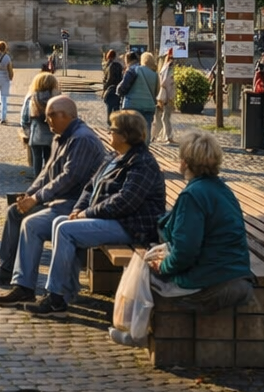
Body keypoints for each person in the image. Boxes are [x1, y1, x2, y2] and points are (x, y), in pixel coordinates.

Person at [19, 109, 166, 317]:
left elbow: (125, 202)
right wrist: (79, 208)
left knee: (65, 230)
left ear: (125, 135)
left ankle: (56, 299)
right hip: (113, 219)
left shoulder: (142, 163)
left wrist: (87, 213)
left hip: (132, 226)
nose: (109, 133)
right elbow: (90, 186)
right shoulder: (115, 157)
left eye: (112, 130)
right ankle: (63, 292)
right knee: (59, 222)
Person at [0, 96, 107, 303]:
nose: (47, 120)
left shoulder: (81, 139)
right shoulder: (62, 136)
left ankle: (25, 286)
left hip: (75, 203)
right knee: (15, 211)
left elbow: (69, 178)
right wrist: (29, 194)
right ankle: (8, 268)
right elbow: (47, 172)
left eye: (51, 116)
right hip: (61, 199)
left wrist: (37, 199)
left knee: (31, 225)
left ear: (66, 116)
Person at [141, 131, 255, 316]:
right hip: (236, 273)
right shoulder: (223, 189)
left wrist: (163, 266)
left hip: (211, 280)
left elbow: (185, 251)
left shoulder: (192, 196)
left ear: (185, 162)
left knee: (139, 271)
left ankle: (133, 329)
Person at [20, 72, 59, 179]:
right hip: (52, 134)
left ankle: (37, 178)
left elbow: (24, 118)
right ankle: (47, 178)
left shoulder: (32, 98)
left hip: (36, 133)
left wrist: (27, 131)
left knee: (36, 157)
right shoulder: (56, 98)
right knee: (48, 157)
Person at [117, 51, 158, 131]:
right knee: (146, 130)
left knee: (131, 130)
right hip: (149, 106)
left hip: (133, 105)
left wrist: (120, 93)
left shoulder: (134, 69)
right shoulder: (155, 74)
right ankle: (145, 143)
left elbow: (122, 88)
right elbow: (156, 92)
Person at [151, 47, 178, 145]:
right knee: (164, 117)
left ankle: (159, 135)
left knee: (162, 117)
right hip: (166, 95)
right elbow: (165, 82)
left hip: (164, 95)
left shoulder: (164, 68)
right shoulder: (168, 68)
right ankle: (166, 136)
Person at [101, 49, 123, 122]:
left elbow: (109, 79)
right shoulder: (119, 65)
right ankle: (116, 125)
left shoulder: (109, 65)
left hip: (110, 89)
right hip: (118, 89)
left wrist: (104, 89)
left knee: (109, 108)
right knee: (116, 109)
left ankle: (110, 125)